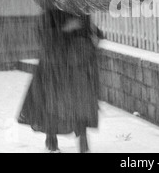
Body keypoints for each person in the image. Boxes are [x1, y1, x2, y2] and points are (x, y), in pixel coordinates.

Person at [18, 9, 102, 153]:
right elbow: (44, 37)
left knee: (80, 104)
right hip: (55, 67)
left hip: (78, 65)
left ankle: (83, 140)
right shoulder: (50, 12)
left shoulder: (81, 11)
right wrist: (65, 29)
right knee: (52, 104)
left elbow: (92, 33)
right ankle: (51, 139)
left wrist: (96, 36)